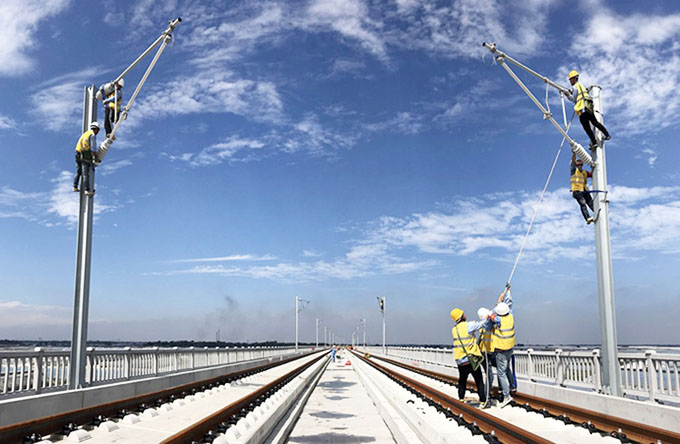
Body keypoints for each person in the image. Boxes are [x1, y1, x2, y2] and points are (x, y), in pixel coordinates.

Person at [450, 308, 487, 408]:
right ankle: (483, 400)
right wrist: (488, 316)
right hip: (471, 359)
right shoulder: (468, 326)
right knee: (479, 380)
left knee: (462, 380)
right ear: (461, 316)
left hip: (460, 360)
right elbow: (482, 324)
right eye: (463, 313)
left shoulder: (454, 329)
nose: (465, 314)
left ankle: (461, 398)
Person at [566, 70, 610, 149]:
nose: (570, 81)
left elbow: (574, 99)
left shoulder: (574, 87)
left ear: (575, 78)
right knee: (595, 122)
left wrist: (568, 95)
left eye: (571, 79)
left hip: (582, 109)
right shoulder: (581, 86)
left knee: (586, 127)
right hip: (588, 107)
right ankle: (607, 134)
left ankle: (594, 142)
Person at [490, 288, 515, 408]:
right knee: (507, 369)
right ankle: (512, 386)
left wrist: (498, 301)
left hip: (501, 350)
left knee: (501, 373)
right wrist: (508, 292)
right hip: (510, 348)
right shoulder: (511, 315)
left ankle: (507, 396)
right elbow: (510, 303)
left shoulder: (498, 320)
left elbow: (490, 314)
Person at [73, 122, 100, 196]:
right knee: (85, 174)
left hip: (77, 153)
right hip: (84, 156)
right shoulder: (92, 135)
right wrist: (96, 158)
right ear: (96, 129)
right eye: (98, 130)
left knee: (78, 171)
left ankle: (75, 186)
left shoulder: (86, 133)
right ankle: (87, 190)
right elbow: (93, 149)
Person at [477, 307, 496, 406]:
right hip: (487, 353)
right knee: (490, 376)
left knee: (495, 373)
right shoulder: (488, 324)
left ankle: (487, 395)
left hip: (485, 352)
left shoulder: (482, 324)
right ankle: (486, 398)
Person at [571, 151, 595, 224]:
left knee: (591, 203)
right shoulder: (574, 171)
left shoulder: (584, 172)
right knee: (583, 203)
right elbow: (573, 162)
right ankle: (587, 218)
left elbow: (592, 174)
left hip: (585, 190)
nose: (579, 166)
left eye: (580, 165)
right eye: (578, 165)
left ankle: (597, 211)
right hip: (577, 191)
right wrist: (574, 154)